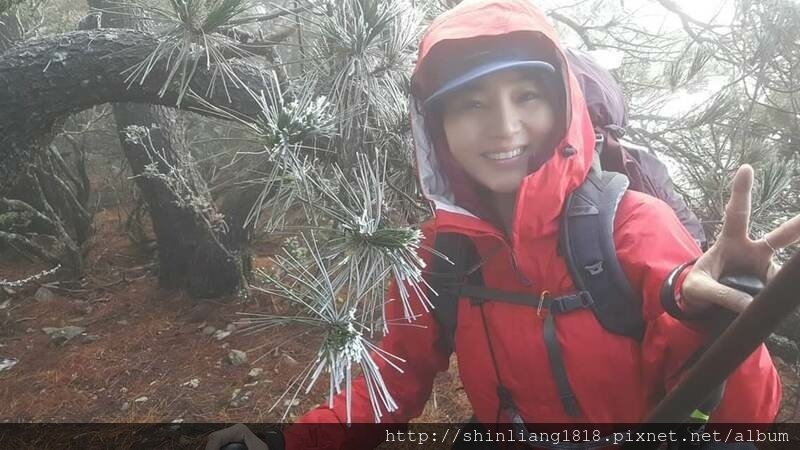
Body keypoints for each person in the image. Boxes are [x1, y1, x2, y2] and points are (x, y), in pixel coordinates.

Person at [208, 0, 799, 448]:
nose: (504, 127)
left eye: (527, 96)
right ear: (436, 128)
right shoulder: (441, 250)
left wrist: (719, 325)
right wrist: (289, 441)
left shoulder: (634, 227)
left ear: (563, 107)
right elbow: (391, 378)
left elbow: (737, 424)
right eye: (472, 103)